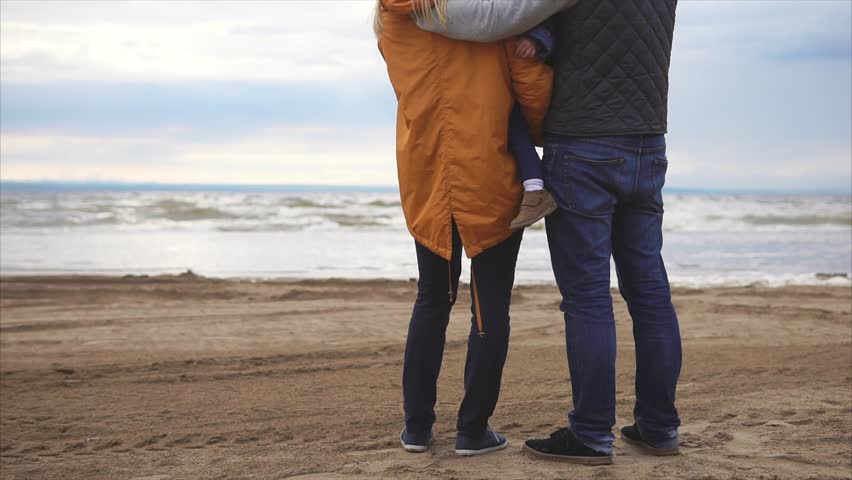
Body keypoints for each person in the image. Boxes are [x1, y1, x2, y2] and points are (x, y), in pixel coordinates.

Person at [419, 0, 683, 466]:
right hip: (649, 141)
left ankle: (591, 434)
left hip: (583, 144)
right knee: (650, 293)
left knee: (588, 299)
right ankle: (660, 427)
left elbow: (525, 29)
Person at [373, 0, 553, 456]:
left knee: (432, 299)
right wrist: (536, 131)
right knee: (490, 307)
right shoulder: (487, 16)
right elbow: (529, 84)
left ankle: (416, 428)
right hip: (489, 168)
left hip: (427, 173)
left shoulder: (392, 19)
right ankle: (472, 431)